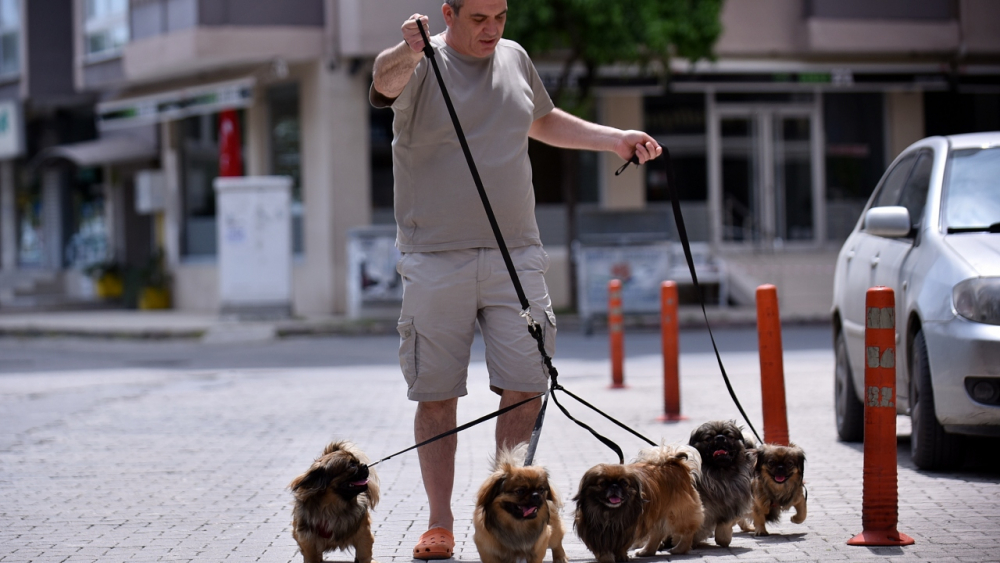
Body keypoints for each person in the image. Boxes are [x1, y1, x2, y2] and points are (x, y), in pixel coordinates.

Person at [369, 0, 662, 559]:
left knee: (525, 384)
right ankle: (439, 522)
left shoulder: (515, 58)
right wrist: (406, 49)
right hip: (434, 255)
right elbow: (382, 83)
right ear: (448, 13)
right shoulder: (419, 61)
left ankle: (513, 518)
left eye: (500, 16)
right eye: (478, 17)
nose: (492, 28)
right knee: (436, 394)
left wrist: (614, 137)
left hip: (516, 253)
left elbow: (543, 121)